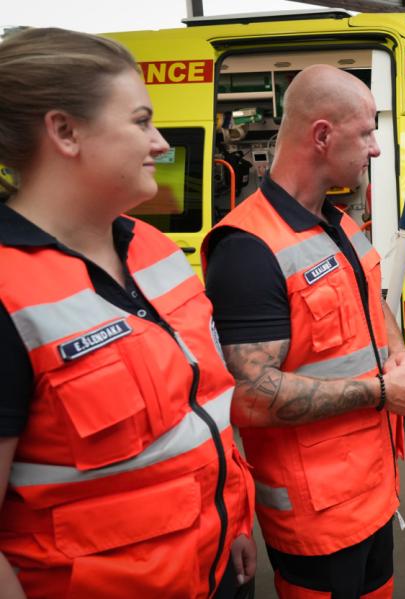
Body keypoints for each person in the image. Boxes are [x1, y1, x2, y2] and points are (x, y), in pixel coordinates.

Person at [0, 28, 256, 598]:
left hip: (217, 570)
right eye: (141, 121)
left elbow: (200, 408)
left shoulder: (151, 245)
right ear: (64, 131)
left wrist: (233, 519)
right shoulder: (8, 293)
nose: (161, 143)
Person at [202, 64, 405, 599]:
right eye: (366, 132)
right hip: (317, 516)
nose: (376, 149)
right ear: (322, 135)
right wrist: (383, 391)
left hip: (373, 489)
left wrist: (398, 357)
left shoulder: (339, 222)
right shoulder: (247, 249)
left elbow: (372, 302)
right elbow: (248, 396)